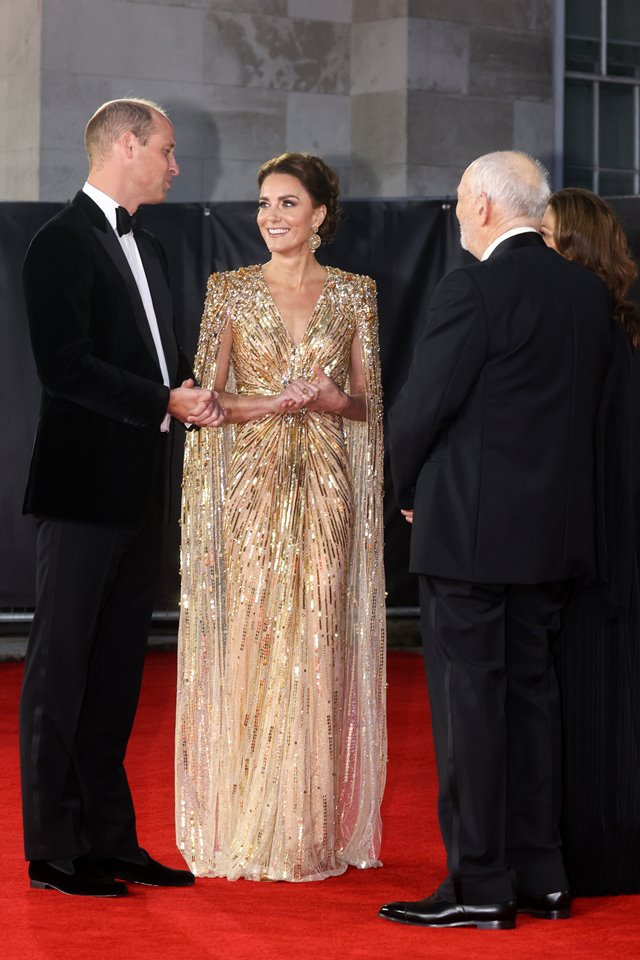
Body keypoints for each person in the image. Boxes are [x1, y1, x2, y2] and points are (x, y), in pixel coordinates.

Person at [381, 152, 615, 930]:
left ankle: (480, 884)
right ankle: (542, 878)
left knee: (471, 711)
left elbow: (419, 410)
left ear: (482, 206)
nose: (454, 214)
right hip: (551, 539)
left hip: (471, 541)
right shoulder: (586, 293)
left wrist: (406, 491)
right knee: (531, 703)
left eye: (456, 201)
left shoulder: (473, 287)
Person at [19, 98, 225, 898]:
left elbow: (161, 366)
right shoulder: (58, 244)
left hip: (141, 488)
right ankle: (53, 847)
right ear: (127, 145)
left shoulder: (157, 249)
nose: (176, 166)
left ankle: (110, 839)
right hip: (79, 492)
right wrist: (163, 401)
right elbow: (62, 368)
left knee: (114, 676)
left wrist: (193, 395)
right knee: (60, 669)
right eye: (168, 152)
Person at [175, 152, 387, 882]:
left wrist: (333, 403)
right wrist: (272, 404)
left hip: (328, 483)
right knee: (260, 634)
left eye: (289, 203)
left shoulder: (357, 295)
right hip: (254, 486)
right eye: (264, 202)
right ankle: (248, 818)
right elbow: (207, 403)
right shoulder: (228, 291)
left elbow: (370, 405)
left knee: (319, 637)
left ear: (321, 214)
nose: (272, 216)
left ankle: (308, 828)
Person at [541, 188, 640, 895]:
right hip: (611, 541)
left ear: (573, 245)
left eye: (543, 235)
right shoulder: (622, 326)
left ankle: (592, 854)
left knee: (587, 696)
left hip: (592, 546)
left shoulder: (590, 332)